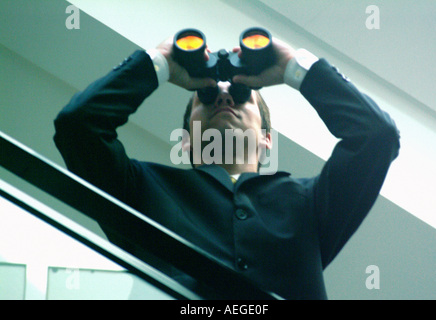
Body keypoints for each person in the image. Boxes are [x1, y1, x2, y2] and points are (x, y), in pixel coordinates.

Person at [53, 31, 400, 300]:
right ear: (186, 141)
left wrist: (296, 68)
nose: (222, 96)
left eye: (240, 95)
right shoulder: (143, 187)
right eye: (206, 97)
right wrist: (159, 63)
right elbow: (77, 126)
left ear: (266, 139)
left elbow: (377, 137)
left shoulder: (307, 202)